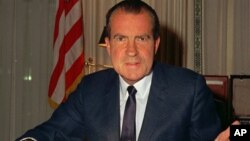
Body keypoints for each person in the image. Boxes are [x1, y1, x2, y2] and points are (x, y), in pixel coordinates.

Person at [17, 0, 224, 140]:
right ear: (108, 45)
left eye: (141, 39)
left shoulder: (189, 89)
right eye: (121, 39)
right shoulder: (91, 89)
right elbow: (51, 133)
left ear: (156, 44)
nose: (131, 51)